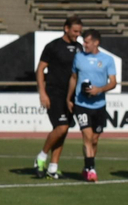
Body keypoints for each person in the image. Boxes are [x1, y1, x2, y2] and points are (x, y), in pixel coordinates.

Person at [34, 16, 82, 179]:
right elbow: (40, 69)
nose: (77, 35)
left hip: (71, 96)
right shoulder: (53, 46)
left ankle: (53, 168)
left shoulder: (79, 48)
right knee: (61, 127)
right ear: (66, 28)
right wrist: (42, 92)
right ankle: (41, 157)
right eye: (75, 31)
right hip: (54, 93)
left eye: (79, 32)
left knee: (64, 130)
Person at [68, 29, 117, 182]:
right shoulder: (78, 57)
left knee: (94, 140)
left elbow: (113, 82)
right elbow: (74, 78)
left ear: (96, 43)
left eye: (87, 42)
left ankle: (86, 166)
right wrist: (69, 98)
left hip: (99, 105)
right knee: (87, 136)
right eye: (84, 41)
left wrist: (99, 90)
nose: (84, 44)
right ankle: (91, 169)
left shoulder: (107, 59)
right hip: (81, 103)